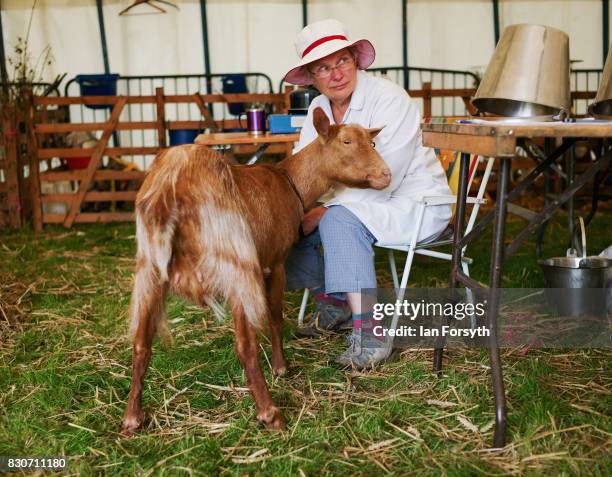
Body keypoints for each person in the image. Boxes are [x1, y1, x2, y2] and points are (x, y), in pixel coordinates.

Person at [283, 19, 452, 369]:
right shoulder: (319, 109)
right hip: (354, 200)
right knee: (287, 221)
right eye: (323, 68)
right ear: (313, 77)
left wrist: (325, 210)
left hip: (412, 200)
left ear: (355, 60)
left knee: (339, 222)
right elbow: (307, 169)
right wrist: (305, 210)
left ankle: (371, 335)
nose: (336, 74)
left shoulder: (388, 98)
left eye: (342, 61)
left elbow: (386, 172)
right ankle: (333, 303)